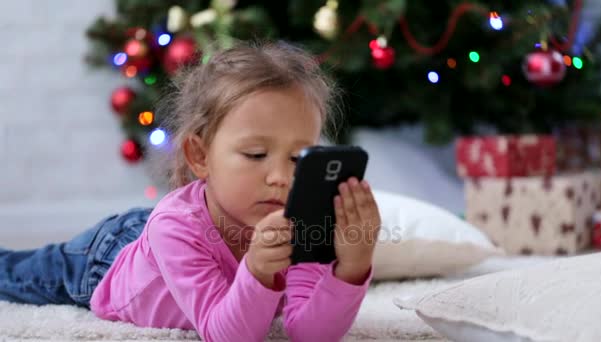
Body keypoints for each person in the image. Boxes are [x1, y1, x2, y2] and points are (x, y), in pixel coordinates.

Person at [0, 40, 381, 341]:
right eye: (256, 154)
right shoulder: (175, 228)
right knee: (16, 275)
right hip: (107, 261)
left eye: (300, 158)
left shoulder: (301, 222)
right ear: (200, 156)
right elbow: (226, 334)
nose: (281, 177)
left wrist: (351, 267)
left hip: (162, 233)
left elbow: (310, 333)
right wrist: (258, 271)